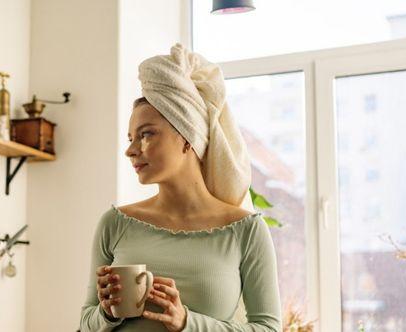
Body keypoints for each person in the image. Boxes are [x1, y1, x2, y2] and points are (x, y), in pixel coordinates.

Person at [79, 43, 282, 332]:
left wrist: (188, 322)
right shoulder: (114, 223)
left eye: (146, 134)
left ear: (187, 136)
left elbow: (269, 328)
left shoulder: (245, 230)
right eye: (130, 139)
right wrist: (107, 313)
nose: (131, 150)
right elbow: (85, 324)